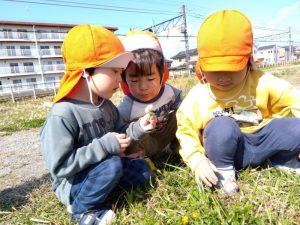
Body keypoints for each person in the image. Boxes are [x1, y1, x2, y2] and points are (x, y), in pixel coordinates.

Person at [40, 24, 157, 225]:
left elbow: (120, 133)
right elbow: (60, 166)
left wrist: (139, 127)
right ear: (87, 71)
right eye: (114, 71)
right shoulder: (63, 114)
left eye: (121, 72)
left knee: (141, 170)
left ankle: (103, 190)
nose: (120, 79)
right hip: (74, 183)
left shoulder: (106, 105)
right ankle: (81, 210)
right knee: (111, 165)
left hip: (104, 168)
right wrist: (104, 146)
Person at [176, 10, 300, 194]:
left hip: (262, 139)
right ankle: (224, 172)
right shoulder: (200, 94)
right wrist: (197, 160)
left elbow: (294, 98)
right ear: (201, 66)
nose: (223, 77)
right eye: (214, 69)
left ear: (249, 60)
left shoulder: (261, 80)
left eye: (233, 67)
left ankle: (281, 158)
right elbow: (185, 129)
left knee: (295, 128)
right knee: (221, 126)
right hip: (227, 151)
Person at [118, 30, 183, 159]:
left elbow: (180, 102)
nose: (143, 87)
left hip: (165, 137)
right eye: (135, 80)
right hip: (145, 146)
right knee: (128, 138)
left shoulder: (169, 92)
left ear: (162, 75)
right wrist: (138, 129)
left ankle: (178, 147)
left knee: (182, 113)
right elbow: (119, 132)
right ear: (124, 79)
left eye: (151, 79)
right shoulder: (127, 107)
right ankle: (142, 162)